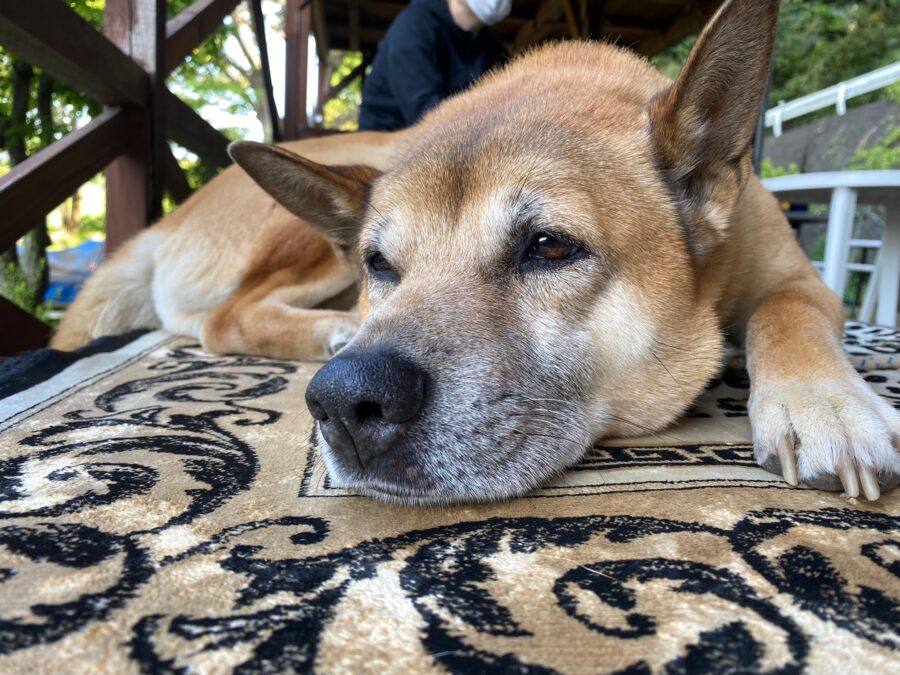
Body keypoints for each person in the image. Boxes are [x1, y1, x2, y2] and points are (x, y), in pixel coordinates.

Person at [358, 0, 511, 132]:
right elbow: (424, 111)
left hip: (457, 138)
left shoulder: (492, 48)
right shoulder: (413, 26)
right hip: (387, 139)